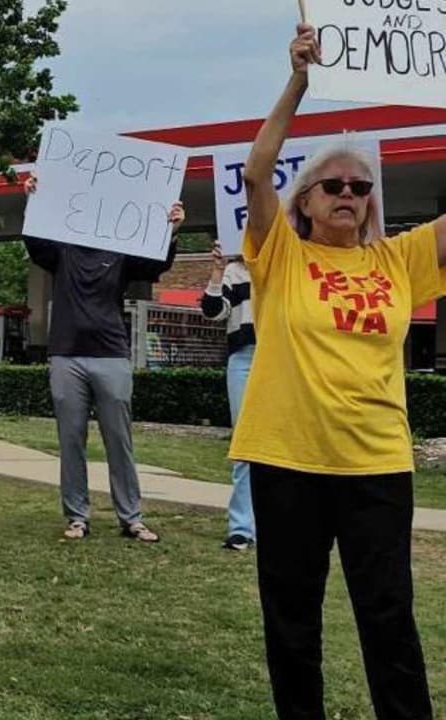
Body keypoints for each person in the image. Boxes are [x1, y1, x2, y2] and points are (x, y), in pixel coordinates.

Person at [229, 23, 445, 720]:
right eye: (332, 185)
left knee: (389, 620)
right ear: (307, 203)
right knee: (292, 623)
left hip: (376, 466)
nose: (348, 193)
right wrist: (298, 81)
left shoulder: (400, 261)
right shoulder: (279, 257)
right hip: (287, 458)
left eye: (359, 185)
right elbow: (257, 171)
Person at [22, 174, 185, 543]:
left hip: (110, 353)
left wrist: (172, 231)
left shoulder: (122, 252)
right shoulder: (62, 251)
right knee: (71, 439)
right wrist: (33, 199)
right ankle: (77, 516)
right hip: (66, 354)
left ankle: (131, 517)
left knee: (118, 438)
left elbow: (156, 264)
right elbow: (34, 243)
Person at [199, 243, 256, 552]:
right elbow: (213, 312)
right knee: (245, 444)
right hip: (244, 359)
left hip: (284, 358)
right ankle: (242, 528)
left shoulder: (287, 264)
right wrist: (218, 272)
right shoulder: (236, 272)